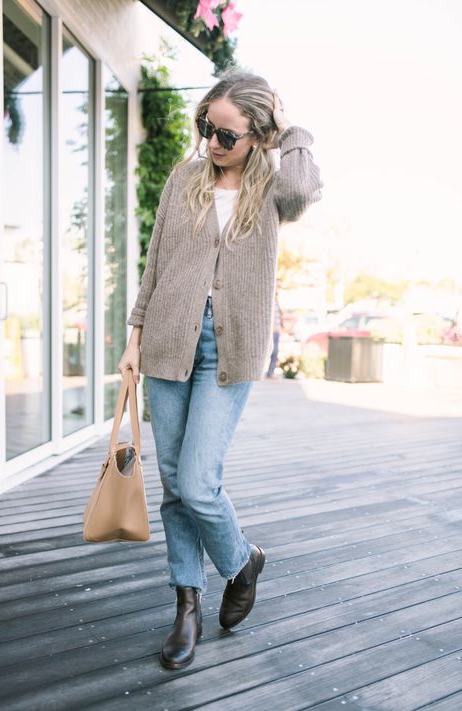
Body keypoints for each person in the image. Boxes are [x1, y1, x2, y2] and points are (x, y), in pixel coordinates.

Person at [118, 68, 323, 670]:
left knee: (199, 479)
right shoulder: (185, 177)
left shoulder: (270, 184)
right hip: (165, 341)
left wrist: (289, 130)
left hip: (228, 348)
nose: (213, 142)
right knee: (175, 484)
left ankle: (241, 562)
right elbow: (155, 265)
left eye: (228, 135)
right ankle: (187, 602)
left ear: (258, 135)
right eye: (208, 127)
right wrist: (133, 339)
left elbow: (305, 190)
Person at [266, 279, 284, 378]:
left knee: (275, 352)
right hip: (271, 330)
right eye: (278, 286)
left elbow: (278, 314)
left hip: (276, 330)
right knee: (272, 351)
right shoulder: (270, 297)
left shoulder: (276, 298)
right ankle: (269, 372)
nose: (279, 288)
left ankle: (270, 372)